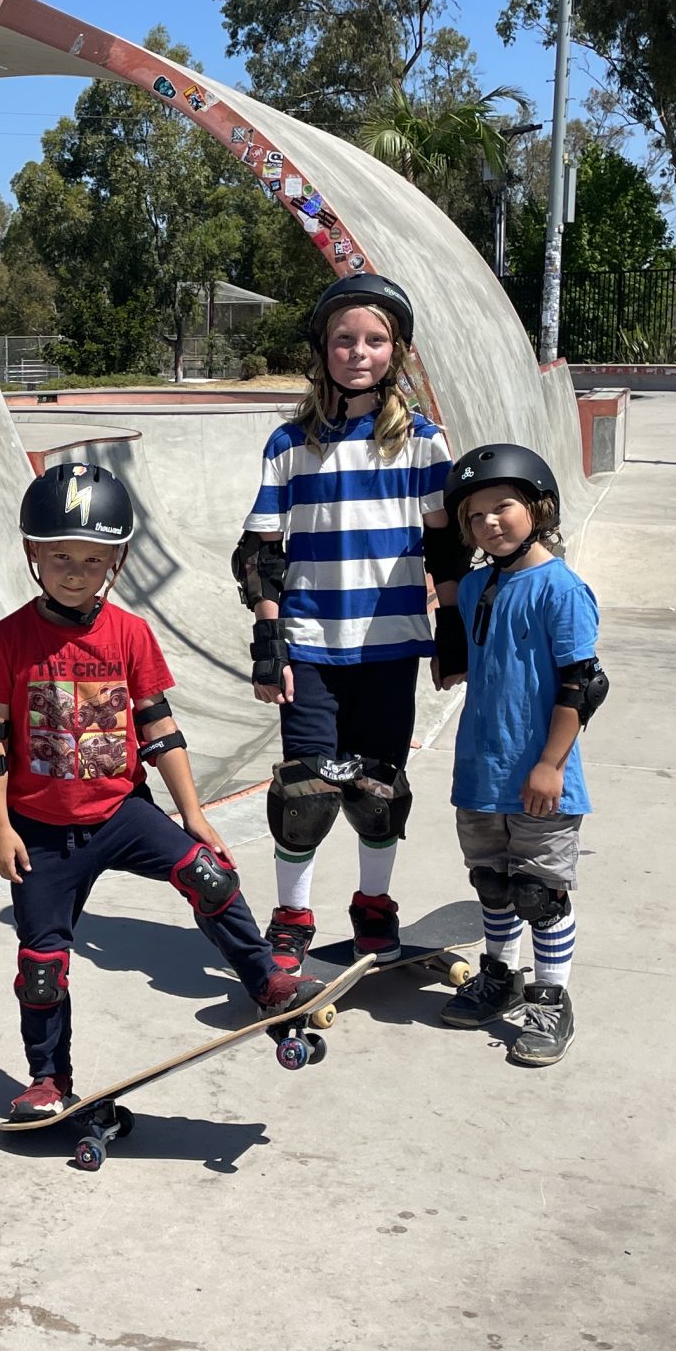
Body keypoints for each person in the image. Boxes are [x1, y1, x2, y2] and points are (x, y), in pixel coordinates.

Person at [0, 461, 299, 1121]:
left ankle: (264, 977)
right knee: (41, 966)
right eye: (60, 557)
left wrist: (193, 813)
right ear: (33, 554)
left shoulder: (129, 634)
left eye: (93, 561)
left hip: (121, 812)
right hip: (39, 831)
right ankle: (48, 1080)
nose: (75, 572)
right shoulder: (6, 641)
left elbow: (160, 729)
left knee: (209, 874)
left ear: (115, 563)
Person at [231, 273, 464, 986]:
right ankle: (293, 920)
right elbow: (262, 553)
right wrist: (271, 643)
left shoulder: (423, 446)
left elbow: (446, 547)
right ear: (322, 350)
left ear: (395, 352)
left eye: (374, 341)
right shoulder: (290, 445)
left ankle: (373, 908)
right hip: (312, 648)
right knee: (303, 796)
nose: (358, 353)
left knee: (377, 791)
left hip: (389, 649)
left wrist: (451, 628)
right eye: (343, 340)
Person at [432, 443, 606, 1064]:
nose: (489, 524)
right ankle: (500, 976)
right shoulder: (478, 583)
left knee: (541, 894)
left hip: (539, 775)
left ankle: (551, 1001)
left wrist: (550, 765)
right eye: (475, 516)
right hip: (481, 769)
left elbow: (581, 684)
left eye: (502, 508)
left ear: (539, 507)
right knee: (493, 885)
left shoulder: (560, 588)